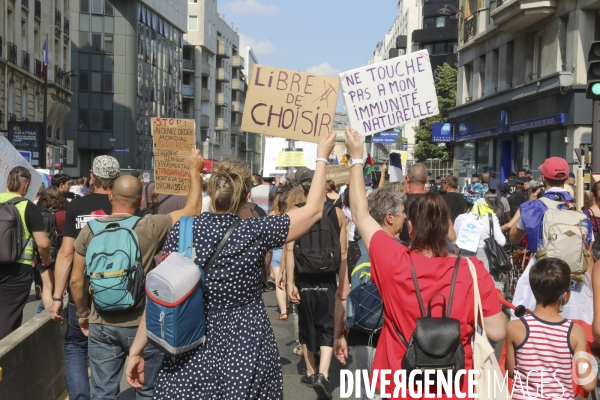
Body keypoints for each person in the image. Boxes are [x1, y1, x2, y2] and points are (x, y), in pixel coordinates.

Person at [125, 131, 337, 399]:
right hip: (246, 342)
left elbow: (161, 295)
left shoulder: (183, 230)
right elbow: (314, 210)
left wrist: (137, 350)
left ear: (211, 191)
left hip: (191, 341)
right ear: (246, 195)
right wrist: (321, 156)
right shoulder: (255, 231)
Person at [344, 127, 506, 395]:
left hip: (398, 384)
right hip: (456, 386)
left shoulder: (392, 259)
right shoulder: (472, 270)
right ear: (447, 228)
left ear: (411, 229)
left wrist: (357, 158)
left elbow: (361, 213)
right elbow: (498, 331)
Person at [70, 150, 203, 399]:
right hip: (142, 324)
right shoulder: (149, 226)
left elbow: (76, 281)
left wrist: (82, 314)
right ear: (140, 202)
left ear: (110, 196)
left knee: (102, 391)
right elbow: (193, 209)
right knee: (147, 390)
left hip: (101, 323)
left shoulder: (89, 230)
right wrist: (194, 172)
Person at [509, 157, 594, 397]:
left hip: (540, 276)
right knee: (572, 338)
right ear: (566, 178)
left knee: (535, 330)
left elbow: (515, 238)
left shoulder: (533, 207)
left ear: (543, 178)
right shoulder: (580, 208)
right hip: (574, 281)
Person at [49, 155, 121, 400]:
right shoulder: (124, 205)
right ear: (116, 180)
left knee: (76, 347)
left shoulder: (77, 206)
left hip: (82, 288)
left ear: (92, 177)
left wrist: (57, 296)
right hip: (118, 288)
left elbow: (66, 253)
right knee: (116, 345)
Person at [334, 187, 406, 400]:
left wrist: (339, 335)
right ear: (389, 218)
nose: (405, 217)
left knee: (368, 392)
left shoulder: (354, 250)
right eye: (402, 213)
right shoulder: (403, 250)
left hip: (361, 334)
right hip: (393, 338)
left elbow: (342, 295)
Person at [286, 165, 348, 400]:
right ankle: (323, 373)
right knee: (327, 324)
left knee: (306, 322)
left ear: (303, 190)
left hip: (303, 277)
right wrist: (343, 285)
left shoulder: (296, 212)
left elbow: (290, 249)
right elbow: (342, 254)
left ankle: (311, 371)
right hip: (328, 278)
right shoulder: (338, 213)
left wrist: (290, 282)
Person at [506, 258, 597, 398]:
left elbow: (511, 371)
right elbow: (588, 384)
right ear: (564, 296)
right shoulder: (575, 331)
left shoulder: (515, 327)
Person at [0, 167, 52, 340]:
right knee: (8, 320)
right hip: (18, 272)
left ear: (7, 182)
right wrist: (47, 260)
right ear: (27, 186)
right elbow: (43, 243)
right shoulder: (27, 207)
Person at [454, 182, 506, 289]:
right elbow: (501, 241)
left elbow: (454, 241)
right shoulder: (491, 217)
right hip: (486, 259)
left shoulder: (461, 218)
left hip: (465, 260)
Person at [400, 163, 456, 244]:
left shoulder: (399, 202)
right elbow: (452, 236)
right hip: (429, 253)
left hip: (405, 252)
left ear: (407, 178)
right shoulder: (436, 202)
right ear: (427, 179)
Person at [36, 186, 68, 314]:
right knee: (60, 287)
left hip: (43, 253)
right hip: (61, 252)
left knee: (47, 286)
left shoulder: (39, 214)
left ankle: (48, 315)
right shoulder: (64, 214)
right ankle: (58, 311)